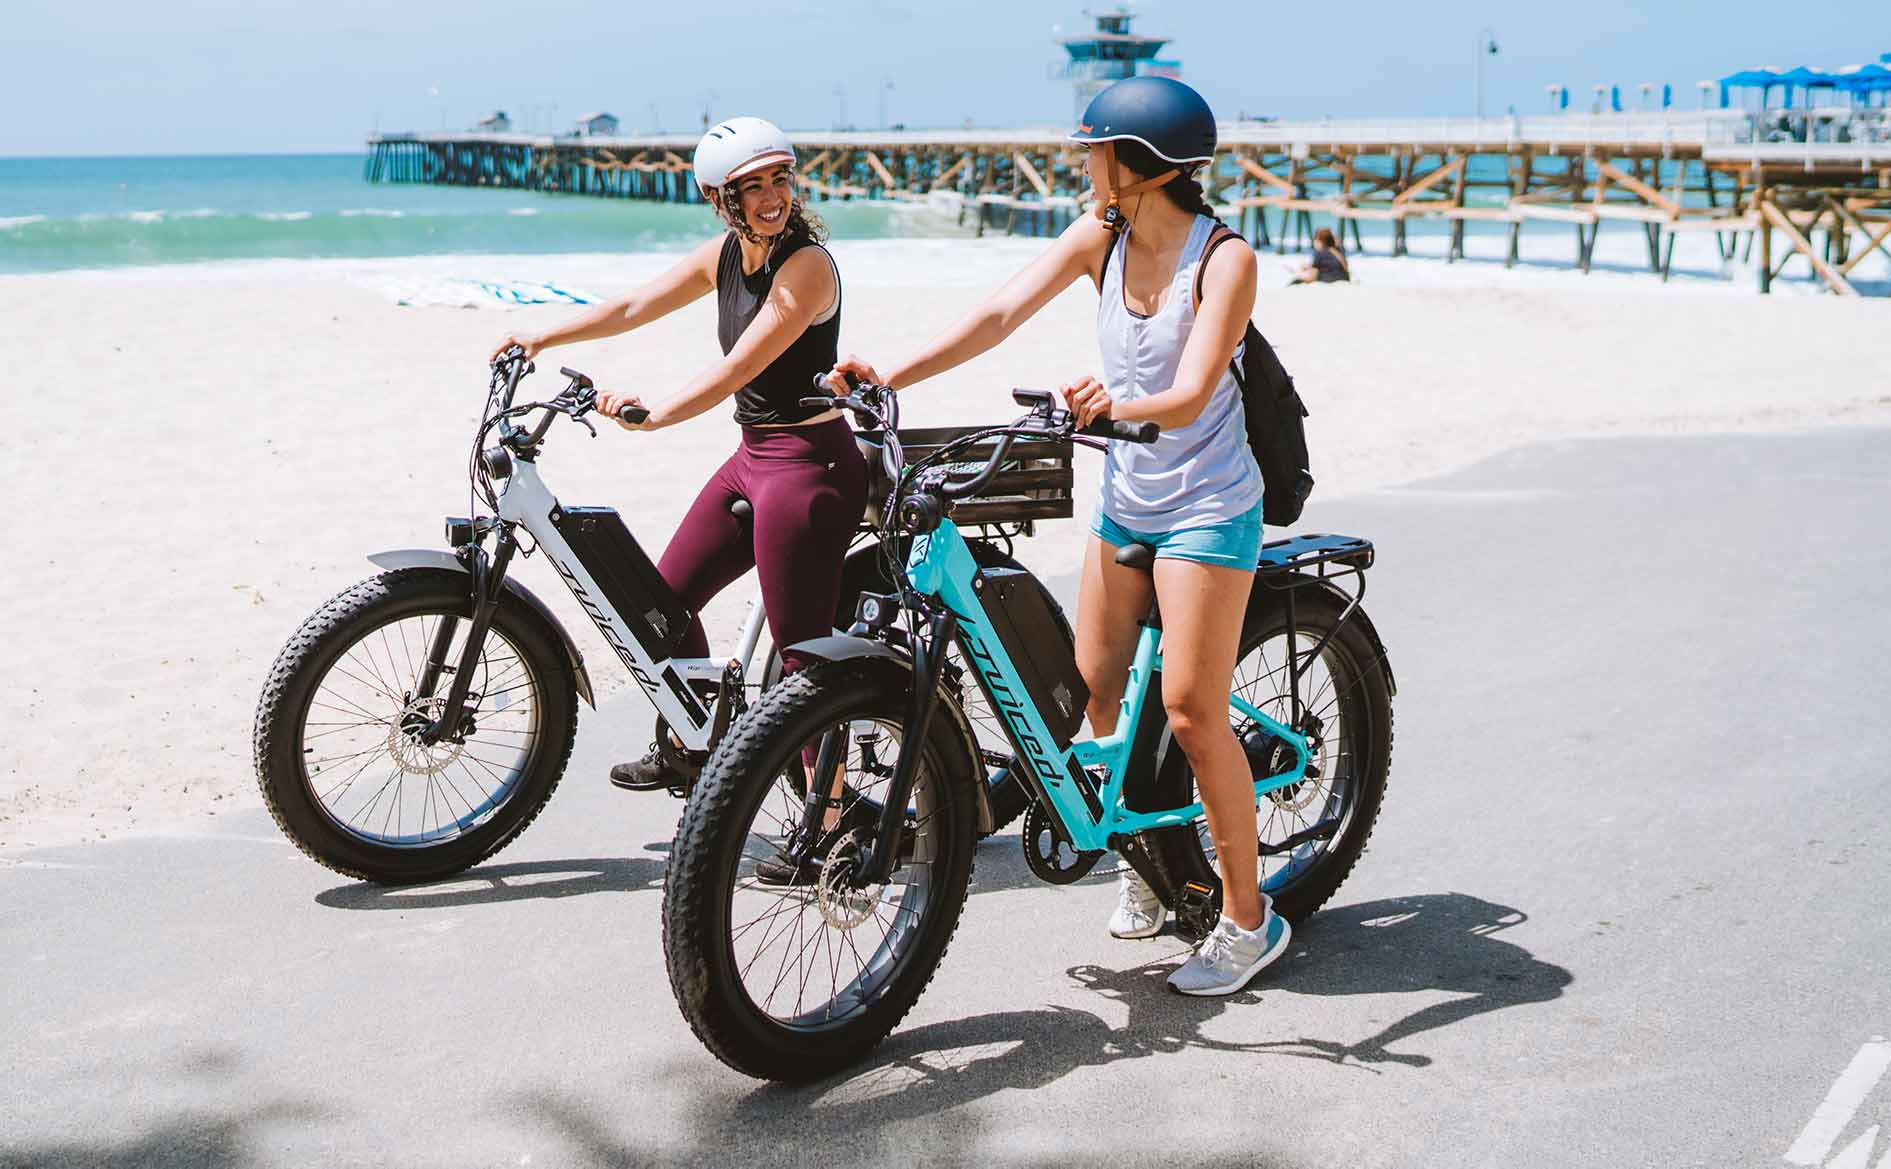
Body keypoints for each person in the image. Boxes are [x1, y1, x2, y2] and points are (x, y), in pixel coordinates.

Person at [828, 77, 1290, 996]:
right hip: (1129, 500)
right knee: (1094, 685)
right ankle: (1144, 857)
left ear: (1140, 164)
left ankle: (1250, 919)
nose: (1083, 165)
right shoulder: (1101, 239)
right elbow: (998, 314)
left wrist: (1116, 405)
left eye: (1093, 151)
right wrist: (894, 374)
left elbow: (1195, 393)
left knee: (1196, 712)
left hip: (1208, 503)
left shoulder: (1222, 260)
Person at [489, 116, 866, 797]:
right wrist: (540, 336)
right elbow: (634, 304)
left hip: (812, 465)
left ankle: (833, 822)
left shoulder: (806, 267)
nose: (772, 196)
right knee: (662, 606)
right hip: (754, 456)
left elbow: (738, 367)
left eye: (780, 179)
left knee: (799, 652)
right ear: (722, 198)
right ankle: (698, 748)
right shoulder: (725, 253)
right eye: (751, 187)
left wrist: (657, 415)